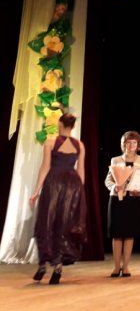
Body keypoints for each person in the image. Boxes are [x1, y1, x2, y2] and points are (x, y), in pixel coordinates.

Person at [29, 113, 87, 285]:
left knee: (46, 222)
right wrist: (80, 190)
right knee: (63, 224)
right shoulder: (80, 145)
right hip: (72, 185)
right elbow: (81, 170)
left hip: (54, 183)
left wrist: (36, 191)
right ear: (73, 126)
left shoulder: (50, 142)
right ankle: (57, 267)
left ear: (60, 124)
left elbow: (45, 167)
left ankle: (43, 265)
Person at [104, 130, 140, 278]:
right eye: (128, 142)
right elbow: (108, 180)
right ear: (124, 144)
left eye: (134, 142)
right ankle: (116, 267)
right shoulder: (115, 160)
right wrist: (114, 187)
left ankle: (126, 266)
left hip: (134, 199)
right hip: (117, 199)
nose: (131, 145)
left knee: (130, 234)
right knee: (117, 234)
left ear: (138, 145)